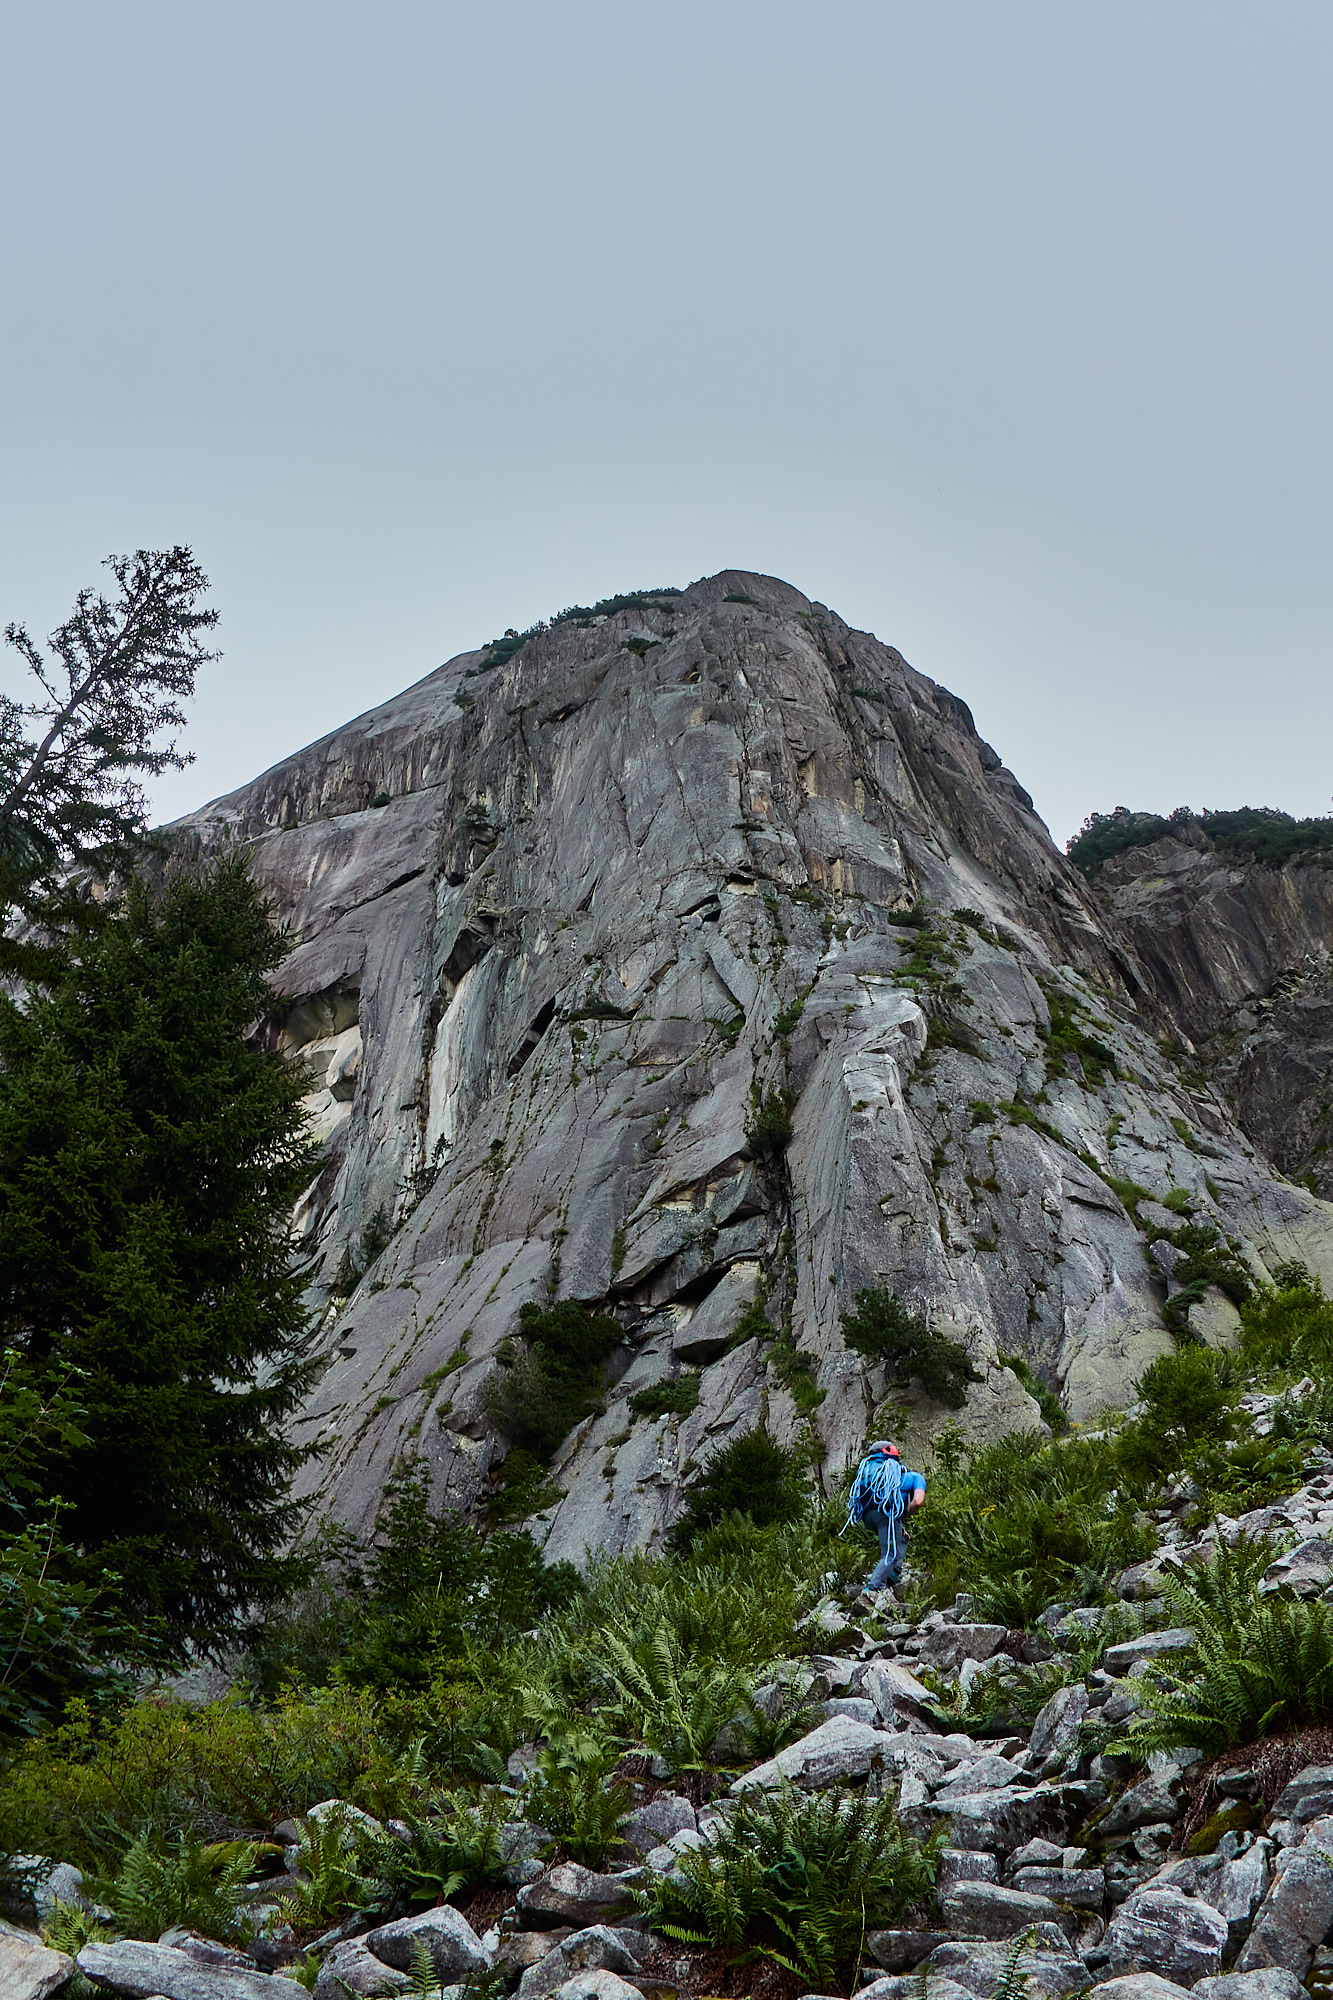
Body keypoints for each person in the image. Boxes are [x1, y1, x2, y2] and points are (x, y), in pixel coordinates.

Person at [845, 1439, 926, 1597]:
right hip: (887, 1513)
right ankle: (872, 1590)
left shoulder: (866, 1472)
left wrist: (898, 1524)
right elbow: (917, 1502)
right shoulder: (913, 1477)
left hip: (867, 1516)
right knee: (890, 1553)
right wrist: (901, 1515)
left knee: (901, 1538)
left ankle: (891, 1576)